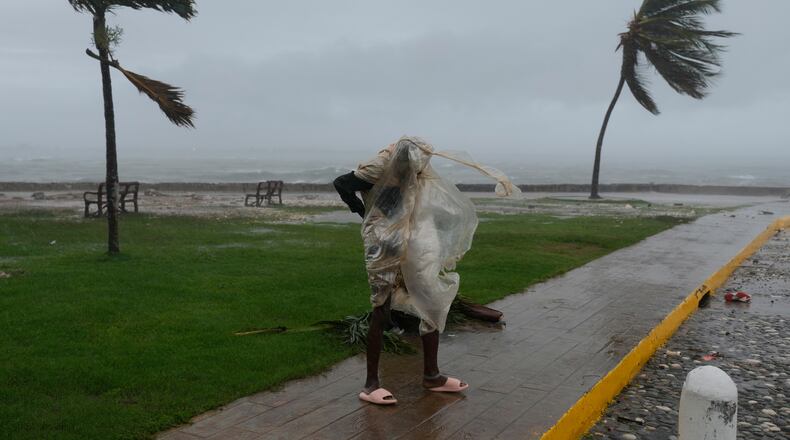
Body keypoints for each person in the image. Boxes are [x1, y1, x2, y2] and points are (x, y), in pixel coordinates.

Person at [334, 137, 518, 405]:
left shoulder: (421, 165)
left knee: (431, 301)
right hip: (384, 241)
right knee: (381, 307)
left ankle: (432, 376)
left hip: (414, 236)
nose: (421, 169)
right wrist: (365, 214)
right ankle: (371, 384)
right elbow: (342, 183)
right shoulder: (378, 167)